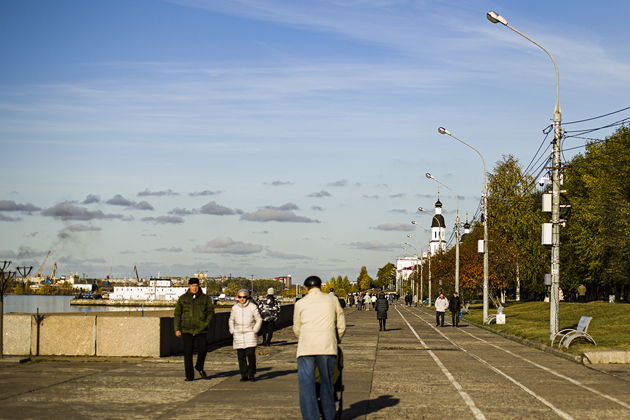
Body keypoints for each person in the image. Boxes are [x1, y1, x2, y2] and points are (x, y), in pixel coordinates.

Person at [293, 276, 346, 420]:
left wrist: (303, 338)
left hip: (306, 348)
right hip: (327, 347)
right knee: (327, 383)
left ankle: (311, 417)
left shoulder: (300, 303)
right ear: (321, 286)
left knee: (307, 386)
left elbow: (297, 328)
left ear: (305, 288)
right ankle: (329, 415)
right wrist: (336, 339)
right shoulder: (332, 300)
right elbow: (341, 324)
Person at [174, 278, 215, 381]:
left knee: (203, 349)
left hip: (201, 329)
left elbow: (210, 312)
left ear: (199, 286)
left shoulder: (205, 299)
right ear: (189, 286)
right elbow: (177, 314)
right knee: (187, 352)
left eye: (196, 286)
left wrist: (206, 324)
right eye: (192, 286)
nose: (194, 288)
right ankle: (189, 376)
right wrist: (177, 328)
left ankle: (199, 366)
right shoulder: (183, 298)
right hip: (186, 329)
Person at [229, 289, 262, 381]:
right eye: (240, 297)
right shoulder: (234, 308)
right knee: (241, 356)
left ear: (247, 297)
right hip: (238, 333)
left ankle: (251, 373)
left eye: (244, 297)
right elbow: (231, 319)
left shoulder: (252, 307)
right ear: (237, 297)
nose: (242, 299)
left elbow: (258, 319)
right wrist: (232, 329)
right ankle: (244, 374)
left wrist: (255, 330)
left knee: (250, 354)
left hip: (250, 333)